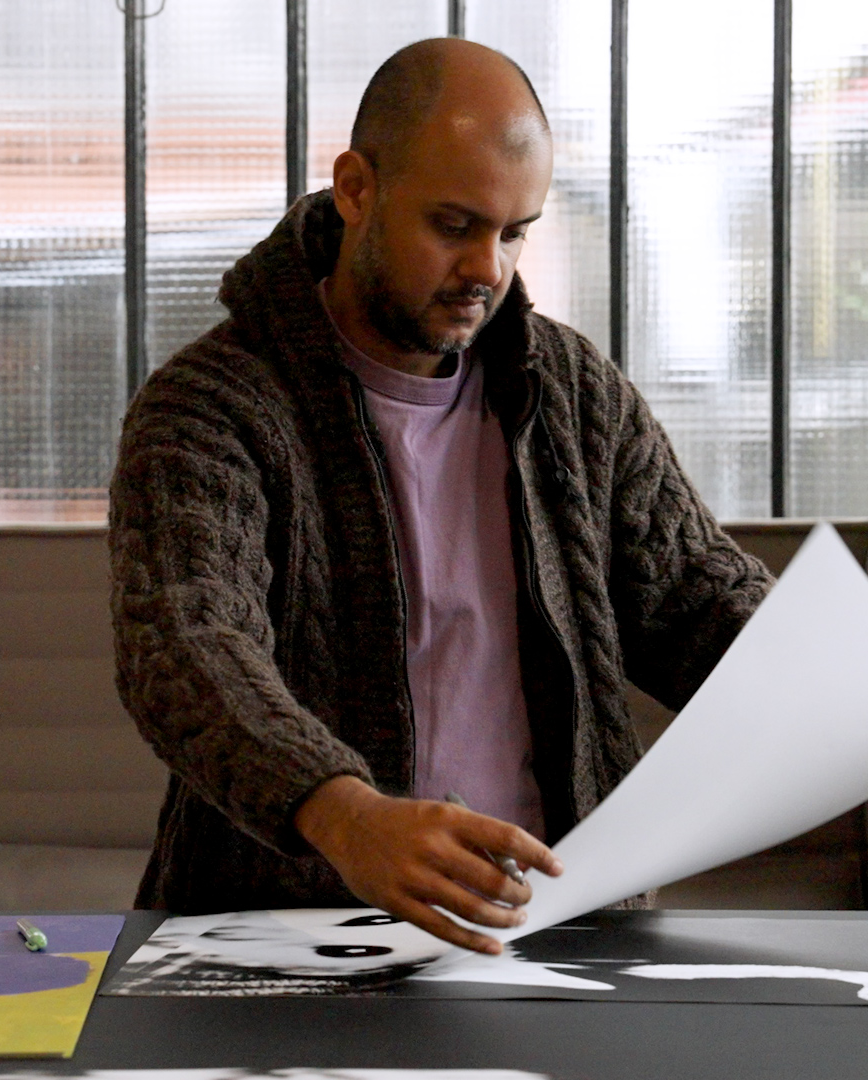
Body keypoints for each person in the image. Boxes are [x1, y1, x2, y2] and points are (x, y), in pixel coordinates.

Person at [108, 37, 773, 956]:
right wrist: (346, 817)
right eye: (454, 226)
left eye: (514, 232)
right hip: (283, 946)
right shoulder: (211, 407)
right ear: (355, 189)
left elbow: (701, 603)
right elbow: (187, 648)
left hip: (562, 942)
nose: (488, 270)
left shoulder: (573, 392)